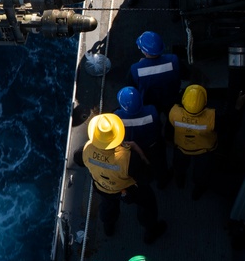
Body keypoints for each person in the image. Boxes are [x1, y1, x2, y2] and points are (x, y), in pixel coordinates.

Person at [74, 113, 167, 243]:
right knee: (147, 203)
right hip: (129, 190)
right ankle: (150, 231)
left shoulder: (84, 150)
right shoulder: (128, 158)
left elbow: (78, 160)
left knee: (107, 206)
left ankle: (108, 227)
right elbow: (148, 177)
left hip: (103, 188)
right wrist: (139, 152)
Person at [115, 86, 171, 188]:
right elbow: (158, 126)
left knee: (136, 168)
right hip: (152, 146)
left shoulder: (117, 116)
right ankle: (162, 182)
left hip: (131, 149)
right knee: (160, 166)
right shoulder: (152, 111)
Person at [169, 84, 218, 200]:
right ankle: (198, 191)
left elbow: (170, 128)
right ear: (205, 102)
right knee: (201, 173)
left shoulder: (174, 112)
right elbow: (227, 127)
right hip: (204, 151)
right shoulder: (212, 117)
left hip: (181, 148)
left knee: (179, 167)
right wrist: (237, 108)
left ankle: (180, 182)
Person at [130, 31, 181, 117]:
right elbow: (186, 74)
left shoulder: (136, 69)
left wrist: (141, 65)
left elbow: (132, 90)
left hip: (149, 102)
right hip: (171, 98)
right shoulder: (174, 60)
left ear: (145, 52)